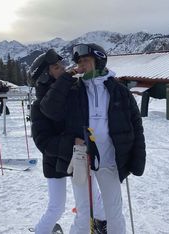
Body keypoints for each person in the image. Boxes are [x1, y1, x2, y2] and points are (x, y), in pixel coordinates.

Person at [39, 43, 146, 234]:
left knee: (114, 214)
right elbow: (49, 109)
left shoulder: (119, 91)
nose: (81, 65)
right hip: (82, 159)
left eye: (86, 61)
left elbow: (136, 126)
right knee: (84, 214)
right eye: (79, 62)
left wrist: (137, 159)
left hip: (110, 160)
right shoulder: (74, 90)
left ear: (99, 61)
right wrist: (66, 77)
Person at [29, 49, 106, 234]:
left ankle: (101, 223)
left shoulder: (72, 92)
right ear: (46, 76)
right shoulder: (39, 106)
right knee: (56, 207)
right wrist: (73, 143)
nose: (63, 68)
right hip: (56, 161)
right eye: (56, 67)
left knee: (93, 198)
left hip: (78, 157)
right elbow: (43, 142)